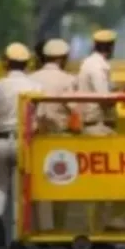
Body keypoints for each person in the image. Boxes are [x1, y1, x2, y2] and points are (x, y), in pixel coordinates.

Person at [76, 29, 125, 234]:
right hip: (97, 128)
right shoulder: (96, 67)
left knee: (100, 182)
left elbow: (111, 91)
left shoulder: (93, 64)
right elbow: (106, 100)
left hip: (98, 128)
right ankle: (111, 220)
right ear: (110, 47)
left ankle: (98, 227)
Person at [0, 43, 43, 249]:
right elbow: (39, 117)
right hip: (23, 141)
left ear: (6, 63)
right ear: (27, 64)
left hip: (0, 139)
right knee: (20, 188)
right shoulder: (34, 86)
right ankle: (17, 237)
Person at [28, 39, 79, 233]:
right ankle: (59, 228)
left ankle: (43, 229)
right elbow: (74, 109)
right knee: (62, 181)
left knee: (41, 184)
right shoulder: (68, 80)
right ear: (61, 58)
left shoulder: (31, 78)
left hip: (37, 137)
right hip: (61, 137)